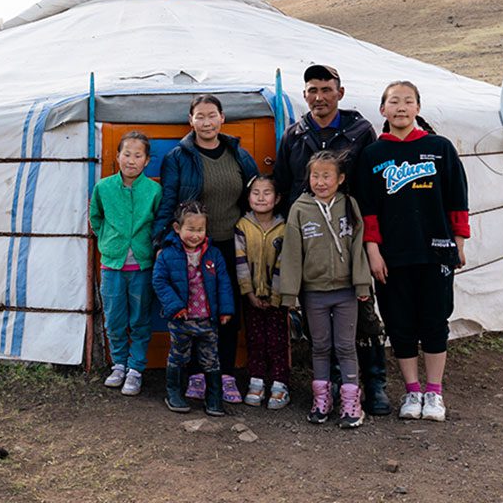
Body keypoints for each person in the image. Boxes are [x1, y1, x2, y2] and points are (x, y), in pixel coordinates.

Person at [274, 64, 390, 415]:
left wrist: (372, 240)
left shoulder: (360, 131)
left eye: (326, 89)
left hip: (351, 237)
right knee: (321, 328)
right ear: (305, 94)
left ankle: (375, 383)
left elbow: (374, 186)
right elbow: (283, 185)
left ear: (340, 92)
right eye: (312, 90)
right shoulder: (293, 135)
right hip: (311, 243)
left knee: (365, 318)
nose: (319, 97)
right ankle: (332, 388)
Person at [354, 81, 470, 423]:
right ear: (383, 110)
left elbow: (457, 198)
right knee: (399, 323)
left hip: (436, 251)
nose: (401, 107)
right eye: (394, 102)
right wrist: (373, 252)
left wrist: (459, 242)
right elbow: (368, 210)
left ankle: (434, 392)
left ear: (418, 108)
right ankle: (412, 390)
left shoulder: (440, 148)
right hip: (392, 255)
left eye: (407, 101)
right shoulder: (373, 155)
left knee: (435, 323)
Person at [152, 94, 258, 404]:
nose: (207, 121)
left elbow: (257, 193)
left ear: (222, 118)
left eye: (212, 115)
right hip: (194, 247)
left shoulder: (237, 153)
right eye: (200, 116)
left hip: (232, 243)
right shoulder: (177, 157)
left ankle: (224, 374)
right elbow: (170, 201)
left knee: (227, 310)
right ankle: (197, 375)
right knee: (195, 310)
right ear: (191, 120)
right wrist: (162, 241)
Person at [278, 151, 372, 428]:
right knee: (319, 346)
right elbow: (293, 253)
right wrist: (290, 293)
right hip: (313, 291)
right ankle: (322, 401)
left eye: (326, 175)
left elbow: (358, 248)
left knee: (345, 346)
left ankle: (351, 403)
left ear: (340, 179)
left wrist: (361, 283)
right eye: (315, 175)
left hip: (345, 290)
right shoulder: (299, 208)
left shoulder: (349, 205)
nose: (320, 181)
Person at [89, 130, 162, 397]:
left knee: (140, 319)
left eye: (138, 155)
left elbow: (157, 223)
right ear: (117, 156)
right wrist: (109, 241)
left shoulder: (154, 190)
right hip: (111, 265)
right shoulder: (103, 188)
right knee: (114, 318)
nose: (131, 160)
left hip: (142, 266)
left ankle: (136, 369)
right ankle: (119, 364)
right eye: (126, 154)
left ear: (147, 160)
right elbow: (95, 218)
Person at [153, 202, 235, 417]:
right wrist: (175, 307)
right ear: (177, 228)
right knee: (179, 356)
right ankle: (174, 393)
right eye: (190, 229)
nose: (195, 235)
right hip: (182, 317)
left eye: (200, 230)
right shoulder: (167, 255)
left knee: (211, 358)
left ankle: (214, 397)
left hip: (208, 318)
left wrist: (225, 310)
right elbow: (159, 281)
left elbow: (224, 282)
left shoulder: (213, 254)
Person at [233, 175, 290, 409]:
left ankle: (279, 383)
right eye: (255, 193)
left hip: (278, 298)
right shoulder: (242, 226)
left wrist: (277, 296)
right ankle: (256, 381)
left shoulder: (285, 227)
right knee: (255, 339)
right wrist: (249, 293)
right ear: (248, 197)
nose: (261, 198)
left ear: (277, 199)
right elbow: (240, 262)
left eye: (267, 193)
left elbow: (285, 262)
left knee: (277, 340)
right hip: (252, 296)